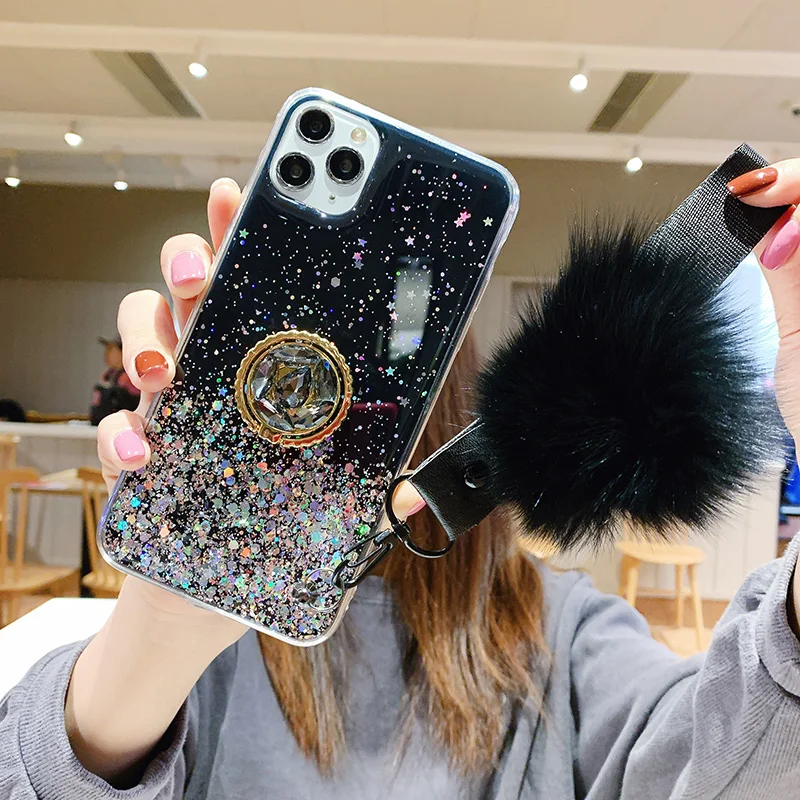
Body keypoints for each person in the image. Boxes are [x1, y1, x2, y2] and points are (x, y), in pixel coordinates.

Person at [2, 167, 800, 799]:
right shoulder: (216, 650)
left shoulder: (564, 636)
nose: (325, 414)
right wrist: (158, 630)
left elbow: (731, 763)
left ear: (445, 402)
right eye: (290, 385)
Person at [88, 337, 141, 426]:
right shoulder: (108, 374)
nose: (107, 355)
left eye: (112, 352)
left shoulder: (131, 375)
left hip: (126, 419)